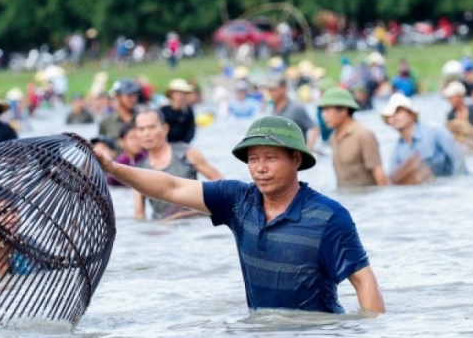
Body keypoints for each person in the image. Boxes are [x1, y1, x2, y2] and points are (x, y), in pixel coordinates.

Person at [92, 116, 385, 314]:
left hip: (316, 330)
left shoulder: (329, 216)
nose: (260, 168)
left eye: (270, 158)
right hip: (261, 327)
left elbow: (363, 281)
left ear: (296, 159)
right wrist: (114, 168)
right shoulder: (238, 201)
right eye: (253, 159)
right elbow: (171, 187)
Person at [132, 108, 223, 220]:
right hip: (164, 227)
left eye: (151, 127)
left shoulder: (187, 153)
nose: (146, 133)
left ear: (165, 129)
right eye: (141, 129)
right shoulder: (139, 170)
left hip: (195, 221)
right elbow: (139, 215)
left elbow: (220, 183)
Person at [318, 88, 389, 187]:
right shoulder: (333, 138)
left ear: (343, 110)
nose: (323, 115)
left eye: (327, 110)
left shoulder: (363, 134)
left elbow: (379, 173)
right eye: (323, 111)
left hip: (366, 199)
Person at [382, 94, 465, 177]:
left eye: (398, 111)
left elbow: (458, 160)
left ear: (411, 114)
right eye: (390, 115)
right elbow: (392, 178)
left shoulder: (435, 131)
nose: (393, 117)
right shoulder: (397, 151)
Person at [266, 77, 318, 151]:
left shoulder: (296, 108)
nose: (271, 93)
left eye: (273, 89)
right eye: (269, 90)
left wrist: (308, 150)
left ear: (284, 88)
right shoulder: (273, 108)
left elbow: (314, 129)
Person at [98, 79, 139, 146]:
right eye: (129, 95)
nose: (133, 99)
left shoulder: (141, 119)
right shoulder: (106, 122)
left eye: (135, 95)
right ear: (118, 96)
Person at [160, 78, 196, 144]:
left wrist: (183, 142)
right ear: (171, 94)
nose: (180, 95)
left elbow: (191, 130)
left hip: (183, 144)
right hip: (166, 144)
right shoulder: (164, 110)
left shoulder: (188, 110)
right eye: (177, 93)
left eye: (182, 93)